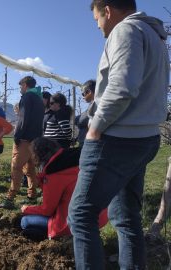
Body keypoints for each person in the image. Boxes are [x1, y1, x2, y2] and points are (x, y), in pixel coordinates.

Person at [68, 1, 169, 269]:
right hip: (144, 138)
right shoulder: (155, 37)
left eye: (97, 19)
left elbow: (122, 86)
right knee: (125, 216)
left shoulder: (125, 31)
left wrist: (95, 126)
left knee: (80, 215)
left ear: (108, 11)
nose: (98, 26)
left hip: (116, 139)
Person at [20, 137, 108, 239]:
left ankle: (57, 236)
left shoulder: (54, 175)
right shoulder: (72, 160)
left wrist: (26, 208)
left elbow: (47, 210)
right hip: (100, 216)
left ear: (37, 155)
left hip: (72, 222)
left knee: (24, 221)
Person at [0, 76, 44, 209]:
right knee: (30, 169)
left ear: (25, 85)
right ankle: (32, 195)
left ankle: (10, 199)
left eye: (21, 86)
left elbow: (23, 118)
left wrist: (18, 135)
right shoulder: (39, 99)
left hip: (24, 139)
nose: (20, 89)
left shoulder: (27, 97)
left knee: (16, 167)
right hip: (35, 140)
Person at [75, 80, 96, 147]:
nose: (83, 96)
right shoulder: (92, 105)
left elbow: (82, 120)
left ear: (89, 92)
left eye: (83, 94)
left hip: (90, 143)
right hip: (85, 142)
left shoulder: (96, 106)